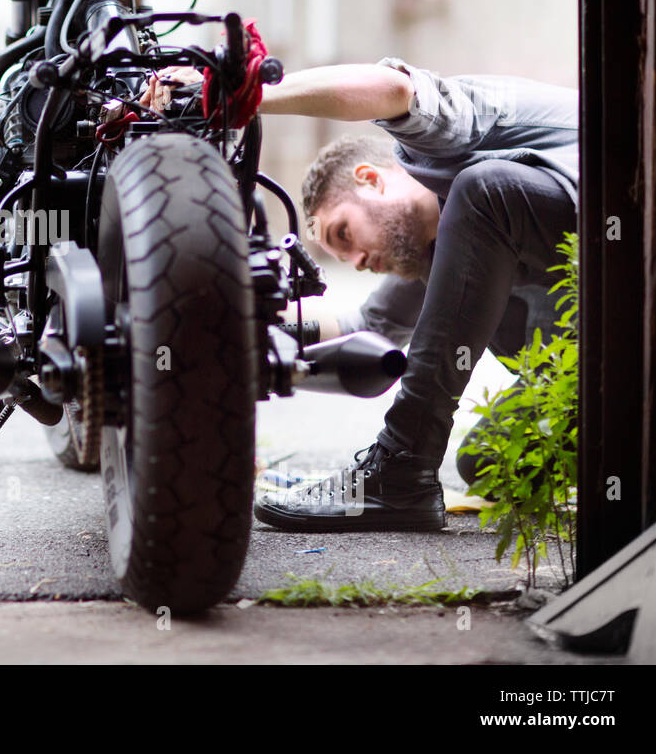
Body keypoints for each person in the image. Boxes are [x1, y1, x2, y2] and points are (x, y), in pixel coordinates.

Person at [140, 57, 579, 531]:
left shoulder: (440, 146)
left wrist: (243, 94)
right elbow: (363, 330)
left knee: (485, 191)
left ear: (370, 179)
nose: (358, 263)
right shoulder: (438, 255)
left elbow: (391, 88)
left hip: (636, 237)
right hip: (614, 375)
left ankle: (400, 468)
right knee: (490, 461)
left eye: (344, 234)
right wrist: (231, 333)